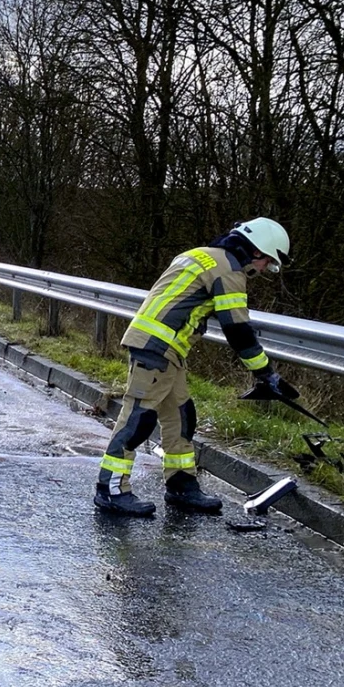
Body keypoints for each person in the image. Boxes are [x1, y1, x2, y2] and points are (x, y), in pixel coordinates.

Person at [94, 218, 292, 517]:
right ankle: (110, 490)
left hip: (165, 348)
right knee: (138, 420)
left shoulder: (200, 254)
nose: (265, 270)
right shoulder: (228, 269)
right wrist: (266, 373)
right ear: (256, 252)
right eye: (269, 263)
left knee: (181, 416)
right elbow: (237, 329)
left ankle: (182, 484)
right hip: (158, 348)